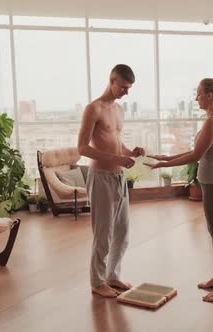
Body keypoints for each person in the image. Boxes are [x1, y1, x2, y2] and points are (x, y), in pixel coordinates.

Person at [145, 78, 213, 302]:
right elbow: (198, 150)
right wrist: (167, 156)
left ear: (210, 96)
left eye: (198, 94)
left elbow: (195, 156)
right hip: (212, 182)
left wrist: (164, 165)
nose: (196, 98)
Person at [78, 64, 145, 298]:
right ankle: (97, 282)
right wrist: (116, 157)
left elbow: (116, 142)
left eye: (130, 88)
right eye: (124, 87)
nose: (127, 92)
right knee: (103, 234)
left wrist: (130, 152)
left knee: (122, 232)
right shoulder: (93, 109)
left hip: (119, 176)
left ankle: (112, 276)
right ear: (112, 79)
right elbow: (82, 148)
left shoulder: (118, 110)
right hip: (101, 177)